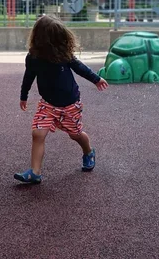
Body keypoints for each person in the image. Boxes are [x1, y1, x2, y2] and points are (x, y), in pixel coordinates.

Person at [14, 15, 108, 184]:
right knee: (37, 133)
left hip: (70, 104)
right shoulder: (33, 57)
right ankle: (35, 172)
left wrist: (96, 79)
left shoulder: (62, 54)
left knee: (75, 134)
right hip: (48, 104)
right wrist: (23, 95)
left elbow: (80, 67)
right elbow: (28, 77)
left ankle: (88, 152)